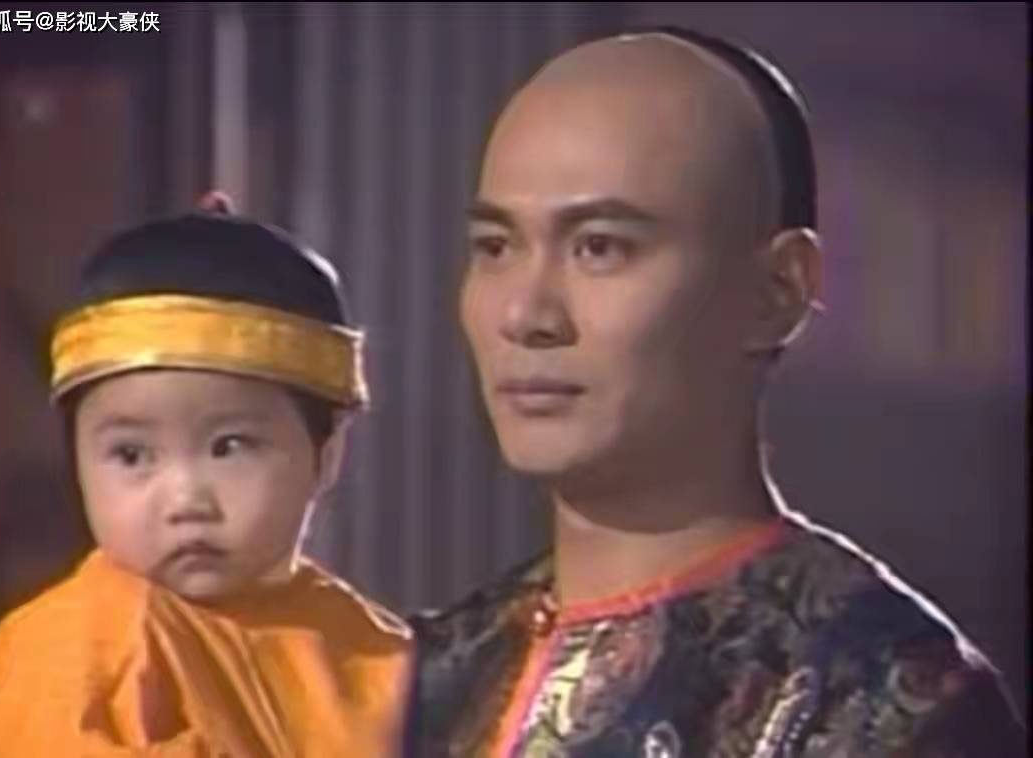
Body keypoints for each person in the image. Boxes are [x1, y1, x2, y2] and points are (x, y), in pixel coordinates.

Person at [406, 27, 1026, 757]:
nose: (525, 314)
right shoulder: (414, 680)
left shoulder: (887, 700)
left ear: (777, 291)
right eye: (496, 247)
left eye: (600, 247)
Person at [0, 193, 413, 757]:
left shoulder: (384, 657)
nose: (186, 499)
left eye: (229, 447)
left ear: (326, 455)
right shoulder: (68, 650)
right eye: (132, 455)